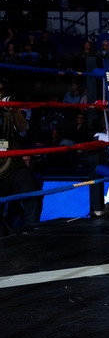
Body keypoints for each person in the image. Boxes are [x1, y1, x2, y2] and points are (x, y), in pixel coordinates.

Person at [0, 81, 42, 234]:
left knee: (34, 195)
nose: (1, 94)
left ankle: (32, 235)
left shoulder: (8, 111)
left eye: (2, 90)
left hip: (14, 167)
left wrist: (15, 111)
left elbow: (23, 128)